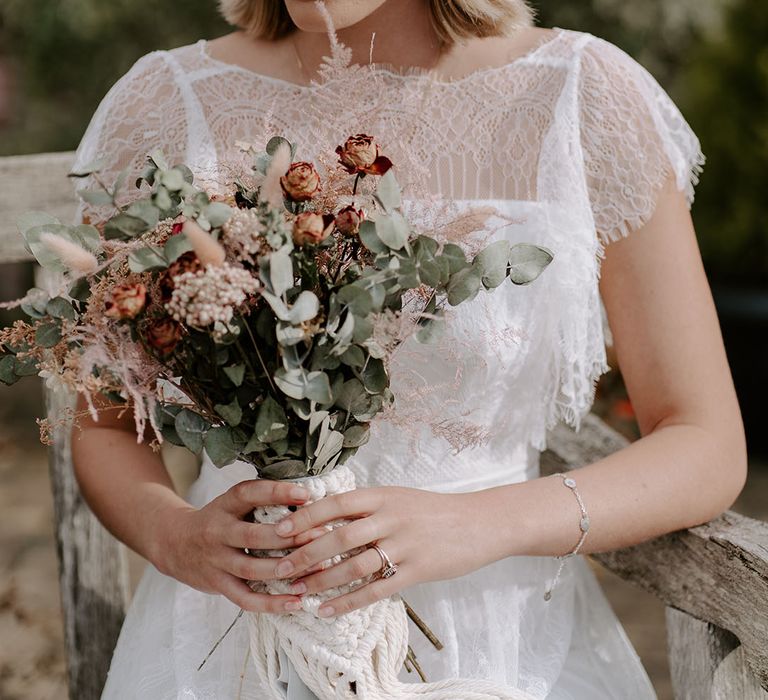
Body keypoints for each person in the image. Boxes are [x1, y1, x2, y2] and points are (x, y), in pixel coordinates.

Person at [70, 1, 747, 697]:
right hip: (231, 640)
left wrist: (482, 523)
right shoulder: (164, 102)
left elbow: (706, 442)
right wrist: (177, 537)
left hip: (503, 642)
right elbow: (105, 425)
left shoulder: (584, 92)